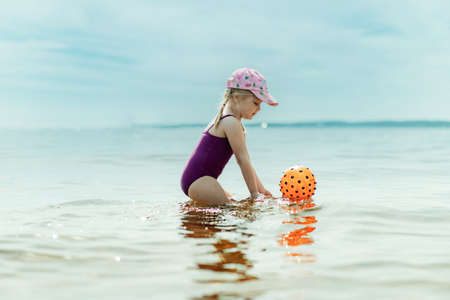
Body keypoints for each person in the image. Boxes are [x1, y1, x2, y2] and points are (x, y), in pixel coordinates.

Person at [180, 67, 278, 206]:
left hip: (197, 181)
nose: (259, 109)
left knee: (232, 203)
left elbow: (247, 162)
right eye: (256, 103)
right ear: (237, 98)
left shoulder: (227, 119)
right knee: (230, 210)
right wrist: (254, 194)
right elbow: (243, 161)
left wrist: (261, 190)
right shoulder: (231, 122)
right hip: (200, 182)